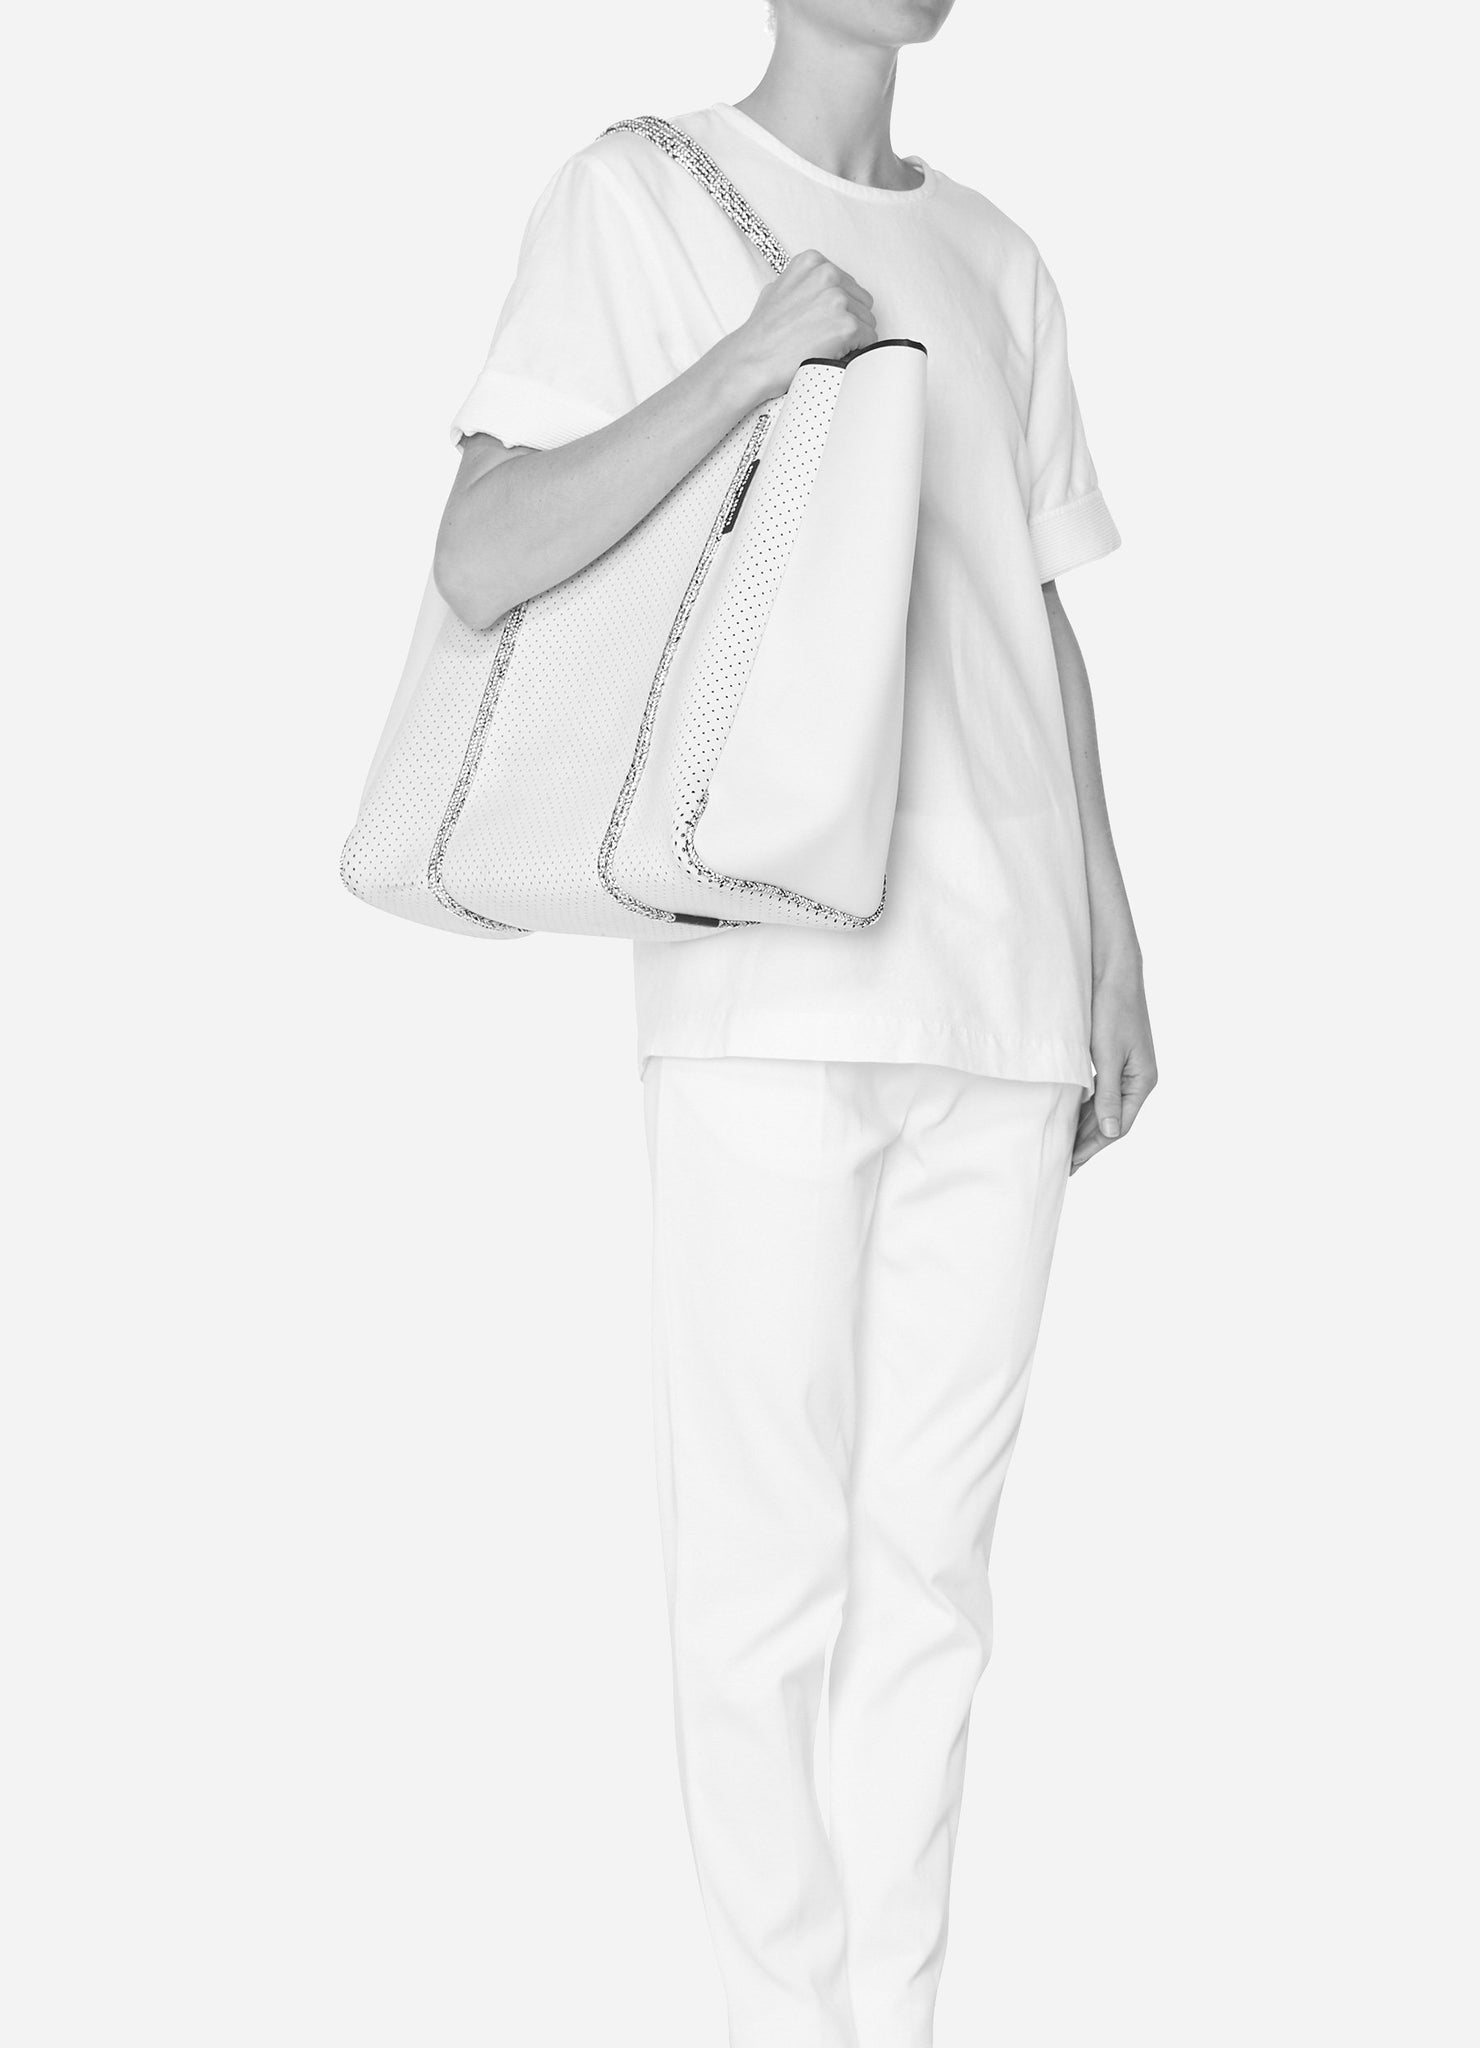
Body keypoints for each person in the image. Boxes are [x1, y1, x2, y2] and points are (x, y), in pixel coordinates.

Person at [433, 4, 1156, 2043]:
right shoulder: (639, 199)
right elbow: (483, 553)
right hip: (764, 969)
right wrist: (753, 360)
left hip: (1002, 988)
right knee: (764, 1584)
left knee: (936, 1583)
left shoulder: (998, 253)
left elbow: (1033, 616)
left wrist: (1112, 937)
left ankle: (895, 2024)